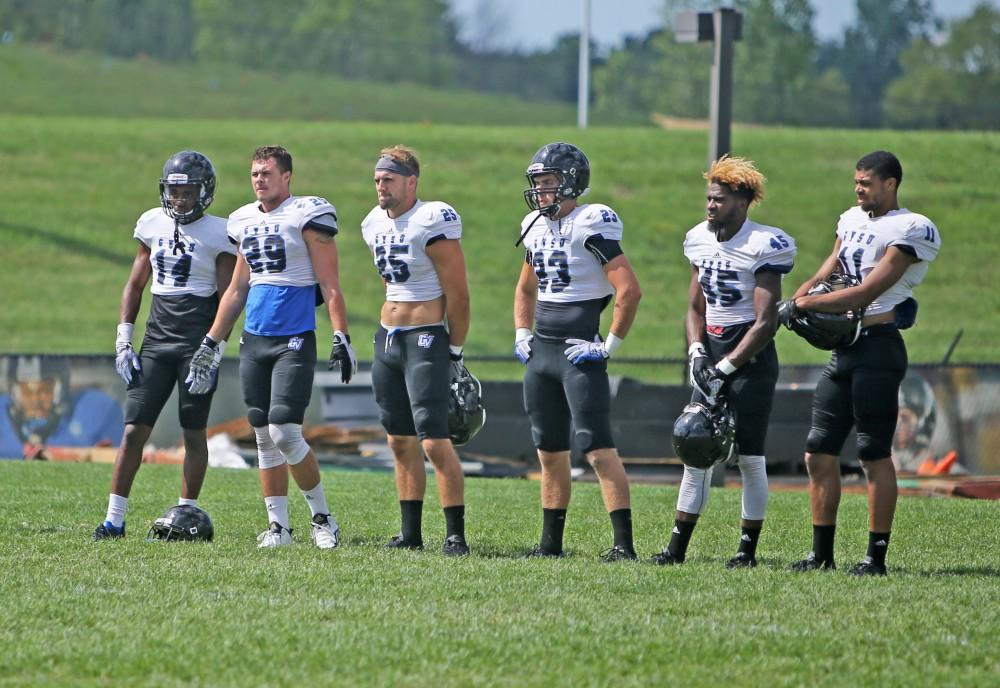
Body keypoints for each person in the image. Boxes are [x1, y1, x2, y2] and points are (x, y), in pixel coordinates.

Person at [186, 145, 356, 549]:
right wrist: (212, 341)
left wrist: (341, 334)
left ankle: (323, 519)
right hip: (254, 338)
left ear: (286, 177)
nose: (259, 180)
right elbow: (236, 288)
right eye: (254, 174)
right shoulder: (244, 219)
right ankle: (278, 527)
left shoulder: (306, 214)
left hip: (294, 337)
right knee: (262, 433)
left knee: (284, 430)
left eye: (267, 173)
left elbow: (330, 283)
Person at [782, 150, 940, 576]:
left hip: (879, 346)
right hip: (846, 349)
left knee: (872, 453)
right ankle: (821, 554)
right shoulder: (850, 219)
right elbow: (828, 267)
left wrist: (803, 304)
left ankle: (875, 557)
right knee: (818, 452)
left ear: (891, 183)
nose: (858, 188)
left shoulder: (911, 228)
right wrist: (799, 295)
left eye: (866, 182)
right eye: (856, 181)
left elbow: (864, 293)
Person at [651, 156, 796, 568]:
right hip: (711, 352)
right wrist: (697, 352)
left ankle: (746, 551)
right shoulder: (698, 238)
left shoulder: (763, 243)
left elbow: (766, 322)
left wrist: (727, 367)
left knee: (749, 455)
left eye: (720, 199)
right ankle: (676, 549)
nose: (711, 205)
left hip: (749, 357)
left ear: (744, 202)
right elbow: (695, 308)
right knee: (695, 450)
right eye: (709, 198)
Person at [93, 151, 234, 540]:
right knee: (133, 431)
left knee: (193, 432)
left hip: (197, 345)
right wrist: (124, 339)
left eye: (188, 192)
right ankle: (113, 520)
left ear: (204, 193)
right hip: (156, 340)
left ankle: (186, 515)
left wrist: (214, 349)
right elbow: (135, 284)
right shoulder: (152, 223)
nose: (179, 199)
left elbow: (228, 297)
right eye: (174, 191)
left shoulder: (219, 232)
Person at [513, 142, 642, 561]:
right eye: (538, 183)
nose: (541, 192)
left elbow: (629, 290)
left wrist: (607, 346)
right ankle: (551, 545)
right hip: (542, 355)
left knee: (597, 448)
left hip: (577, 352)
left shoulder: (592, 221)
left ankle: (624, 546)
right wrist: (521, 332)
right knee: (549, 451)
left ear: (571, 183)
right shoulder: (535, 225)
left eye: (549, 182)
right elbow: (525, 288)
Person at [360, 145, 471, 556]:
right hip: (388, 338)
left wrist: (454, 350)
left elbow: (458, 295)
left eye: (388, 179)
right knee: (398, 440)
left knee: (433, 441)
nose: (380, 187)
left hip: (426, 337)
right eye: (377, 180)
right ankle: (410, 533)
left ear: (411, 181)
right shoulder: (371, 223)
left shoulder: (432, 219)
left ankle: (455, 534)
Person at [1, 355, 122, 460]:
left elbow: (122, 460)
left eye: (45, 390)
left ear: (62, 386)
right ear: (13, 391)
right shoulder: (3, 414)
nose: (36, 400)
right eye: (26, 391)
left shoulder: (96, 409)